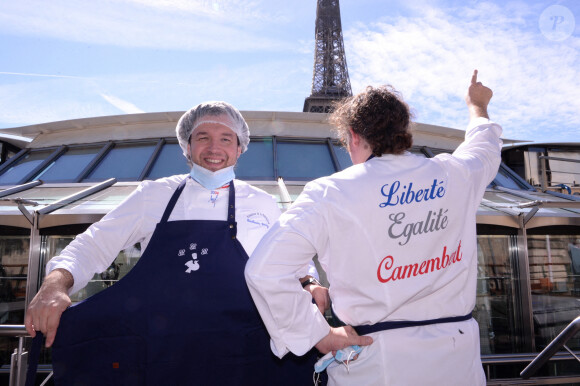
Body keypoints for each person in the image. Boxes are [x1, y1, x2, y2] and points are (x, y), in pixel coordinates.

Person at [24, 101, 326, 385]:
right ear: (188, 145)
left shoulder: (262, 203)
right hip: (162, 358)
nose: (214, 148)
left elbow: (293, 261)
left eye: (225, 138)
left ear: (239, 148)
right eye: (203, 137)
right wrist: (55, 285)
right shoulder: (154, 195)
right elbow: (92, 245)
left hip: (245, 357)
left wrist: (310, 283)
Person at [245, 70, 502, 385]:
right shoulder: (456, 174)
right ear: (403, 131)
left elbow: (263, 270)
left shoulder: (330, 192)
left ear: (353, 135)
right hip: (459, 361)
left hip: (377, 364)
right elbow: (485, 146)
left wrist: (316, 334)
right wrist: (477, 105)